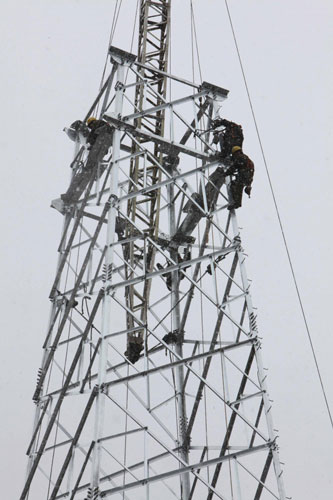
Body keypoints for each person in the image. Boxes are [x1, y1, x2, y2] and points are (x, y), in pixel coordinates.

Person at [226, 146, 254, 210]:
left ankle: (236, 203)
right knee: (238, 186)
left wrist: (226, 173)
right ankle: (237, 202)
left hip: (244, 175)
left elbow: (234, 166)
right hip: (248, 177)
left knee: (234, 185)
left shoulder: (240, 157)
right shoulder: (245, 158)